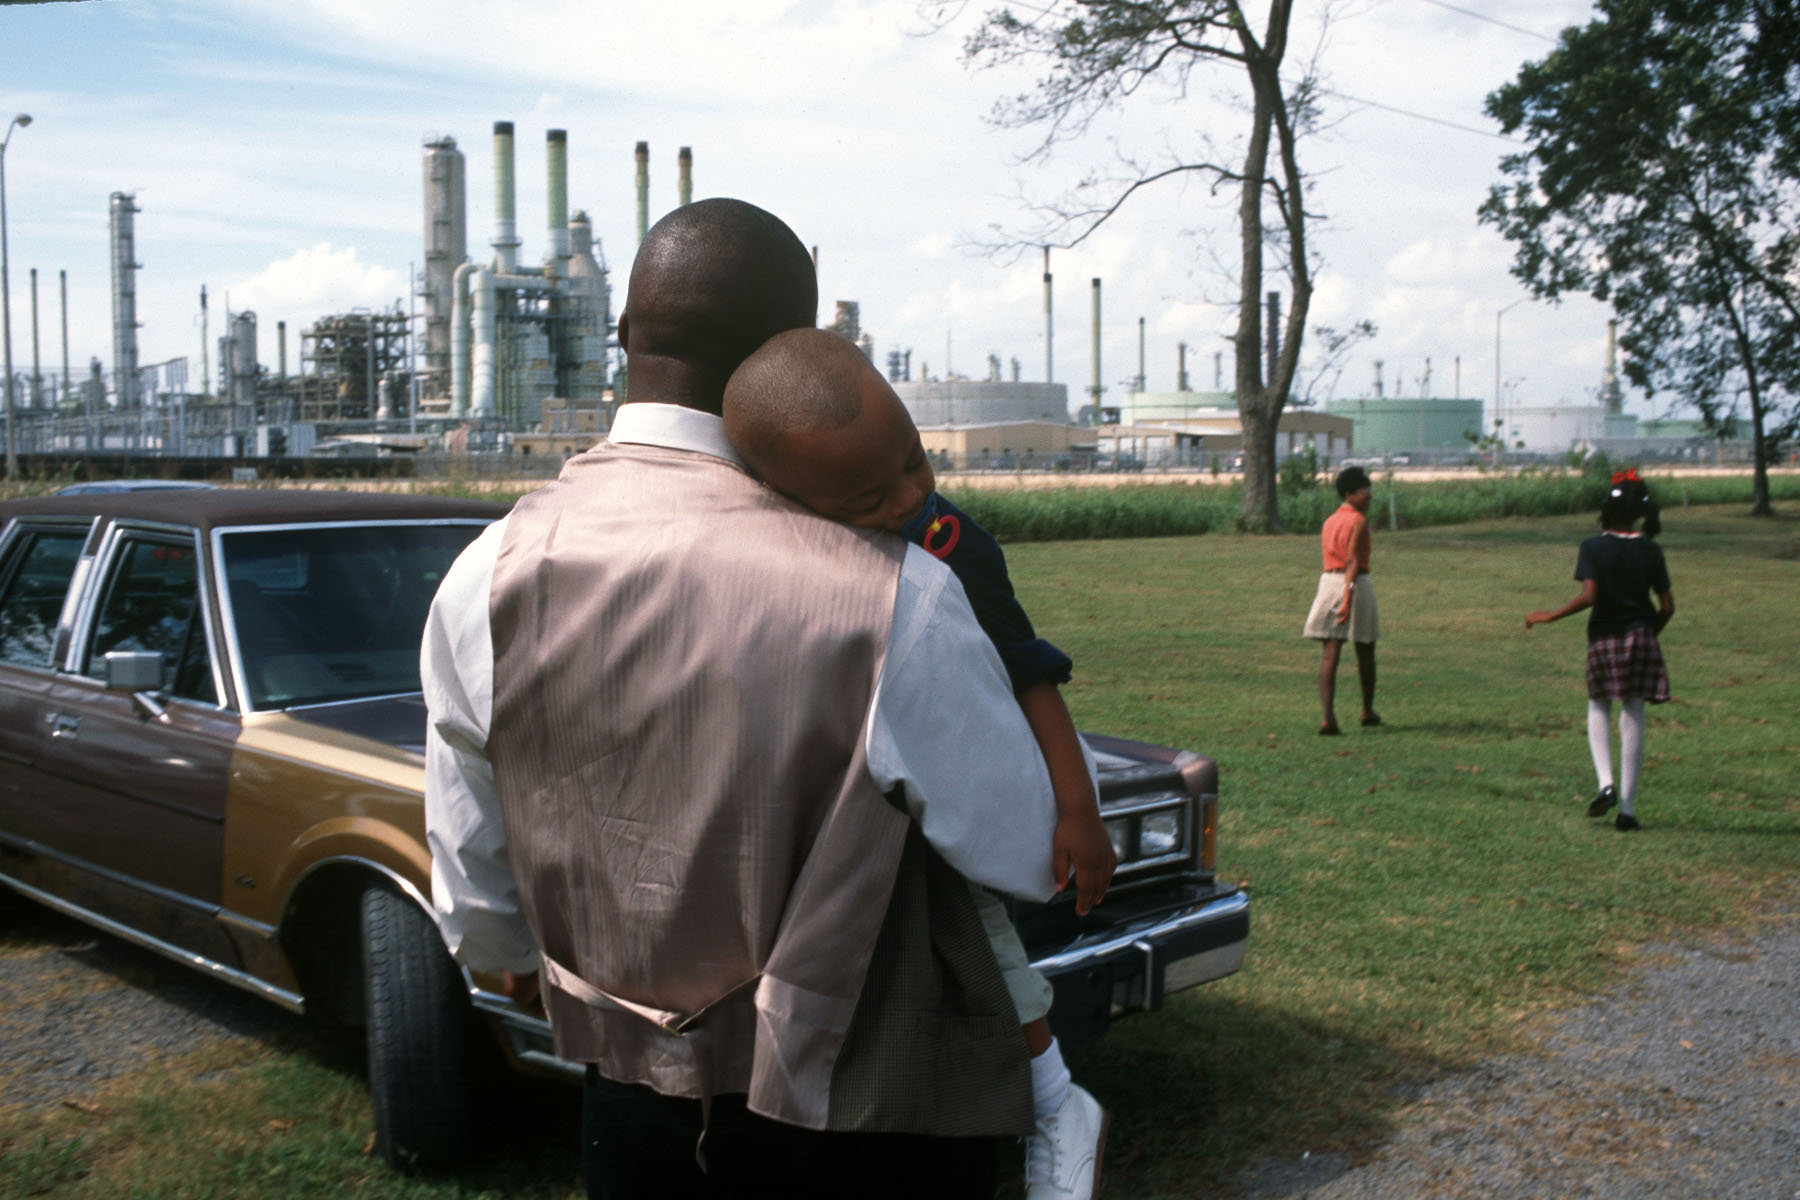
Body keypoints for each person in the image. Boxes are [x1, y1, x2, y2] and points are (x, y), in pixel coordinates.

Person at [423, 198, 1071, 1200]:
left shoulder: (486, 575)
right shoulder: (893, 592)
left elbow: (476, 884)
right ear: (795, 349)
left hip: (630, 1105)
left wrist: (520, 957)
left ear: (624, 334)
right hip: (868, 1110)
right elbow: (1022, 847)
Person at [722, 326, 1114, 1200]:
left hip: (949, 795)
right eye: (870, 495)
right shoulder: (782, 552)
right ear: (784, 497)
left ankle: (1057, 1104)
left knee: (984, 941)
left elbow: (1031, 674)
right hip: (845, 810)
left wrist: (1078, 810)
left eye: (914, 458)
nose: (908, 496)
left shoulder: (948, 542)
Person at [1526, 469, 1674, 831]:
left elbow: (1590, 596)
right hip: (1641, 635)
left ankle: (1605, 782)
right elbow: (1667, 606)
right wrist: (1647, 633)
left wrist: (1551, 615)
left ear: (1605, 511)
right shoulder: (1651, 550)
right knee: (1634, 708)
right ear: (1639, 513)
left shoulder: (1592, 547)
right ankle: (1627, 809)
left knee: (1598, 704)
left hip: (1605, 636)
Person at [1303, 466, 1380, 735]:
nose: (1369, 496)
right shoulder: (1358, 520)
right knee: (1365, 649)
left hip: (1328, 582)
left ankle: (1328, 717)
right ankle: (1367, 710)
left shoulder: (1329, 521)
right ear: (1349, 494)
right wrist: (1347, 598)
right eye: (1365, 491)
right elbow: (1352, 561)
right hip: (1354, 582)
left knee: (1330, 651)